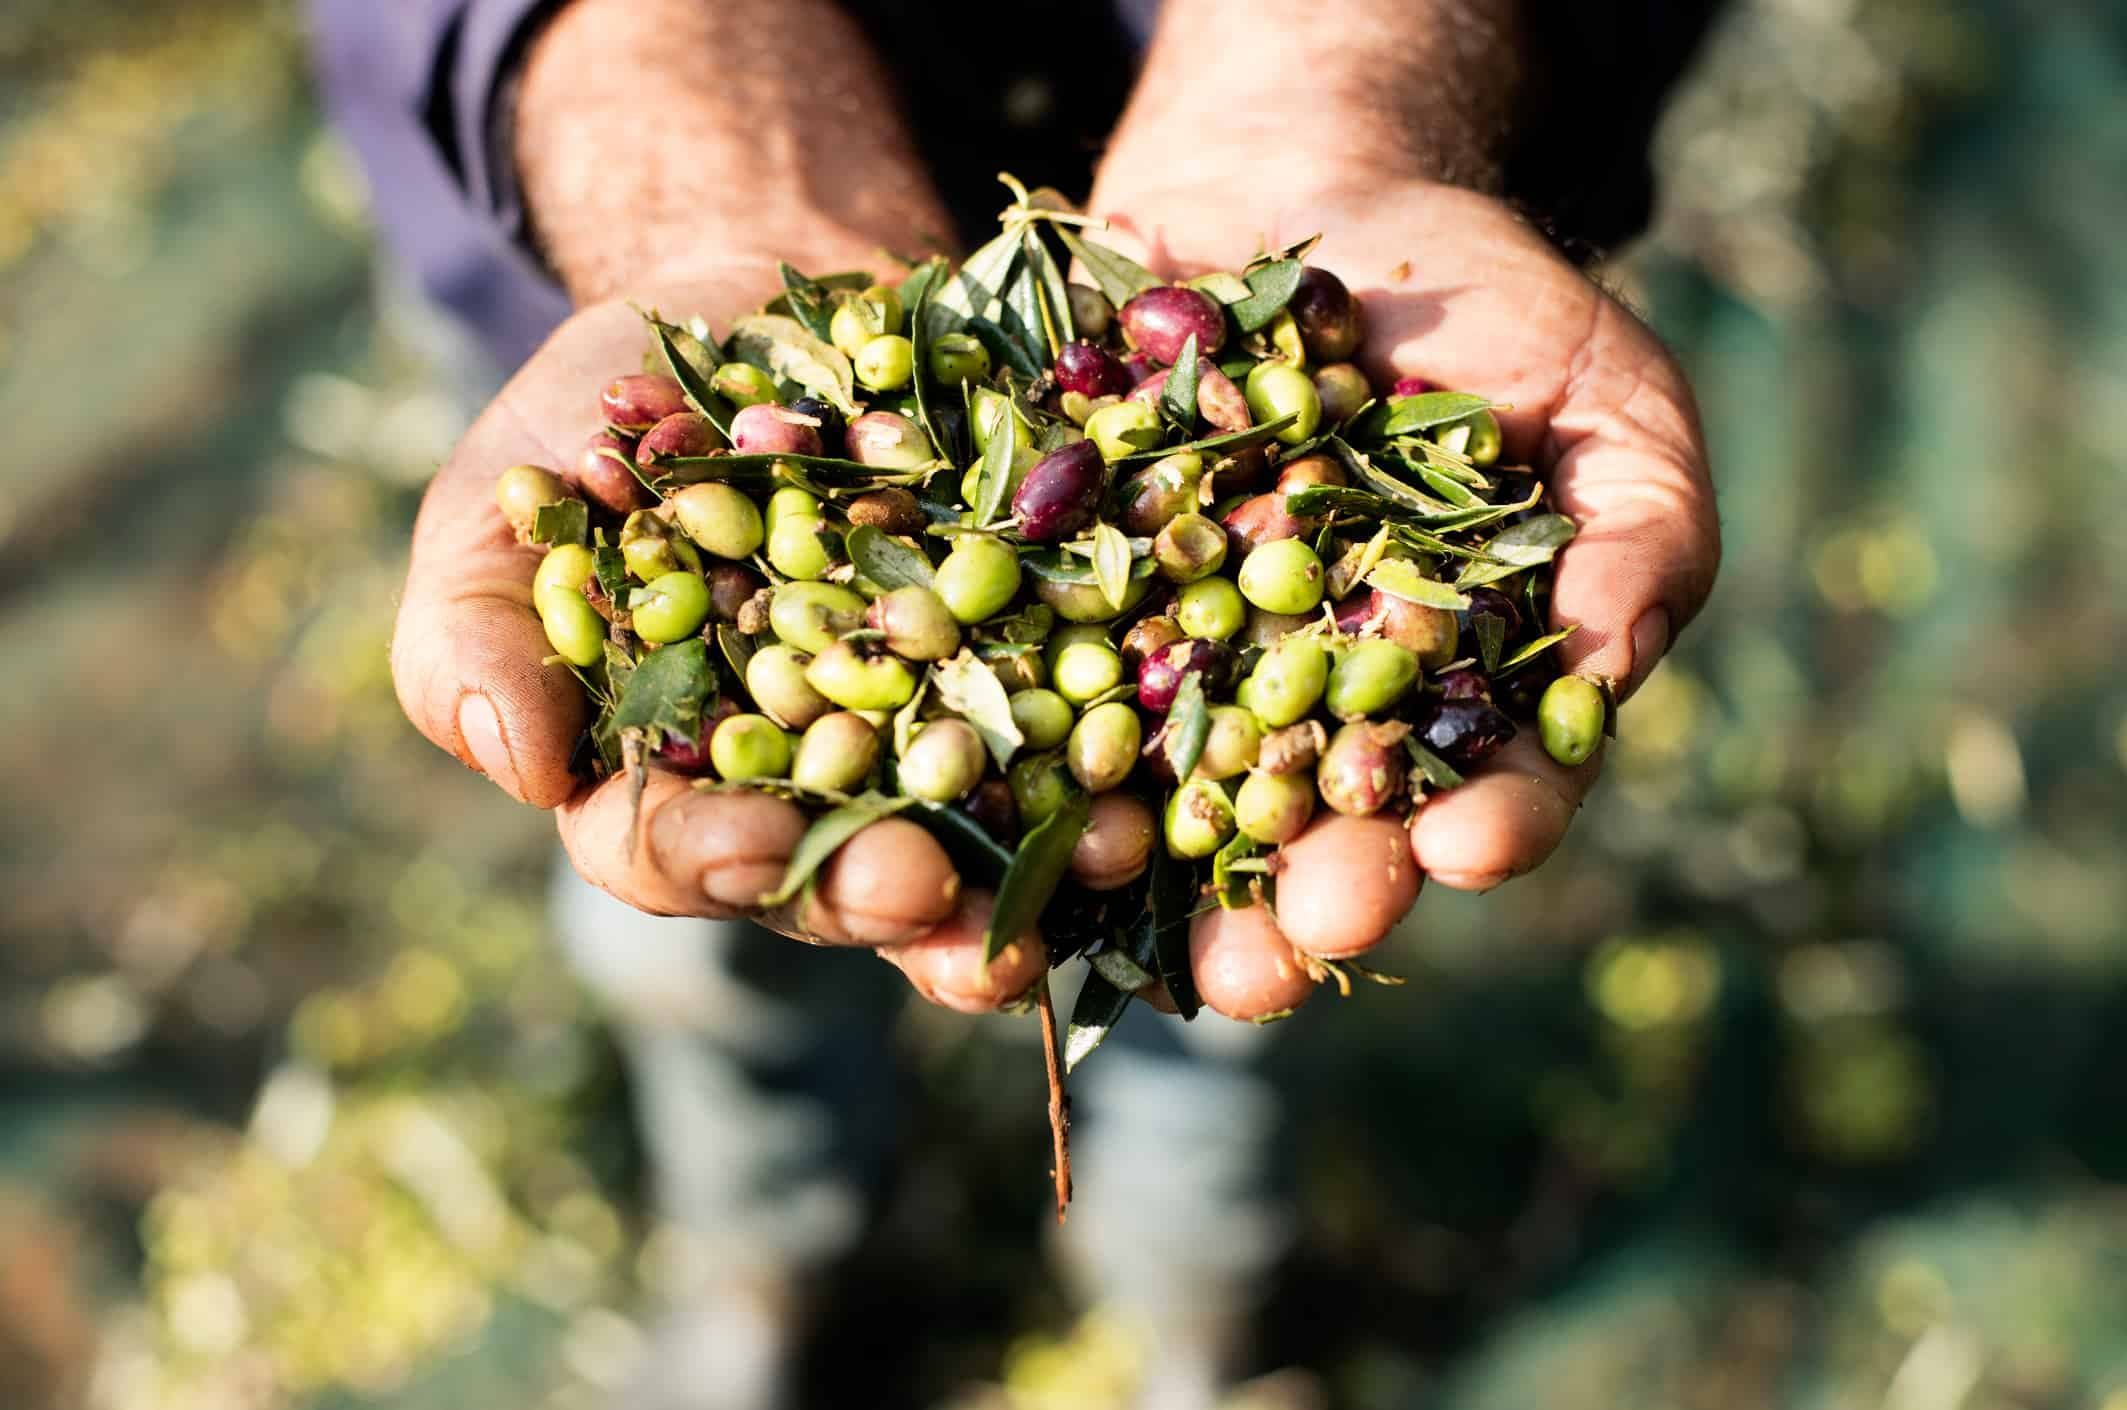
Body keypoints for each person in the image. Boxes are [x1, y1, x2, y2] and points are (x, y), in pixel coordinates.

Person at [310, 2, 1723, 1404]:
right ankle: (769, 1260)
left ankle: (1205, 1305)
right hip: (582, 225)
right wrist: (678, 94)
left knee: (1218, 940)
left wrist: (1339, 80)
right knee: (700, 920)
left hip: (1322, 139)